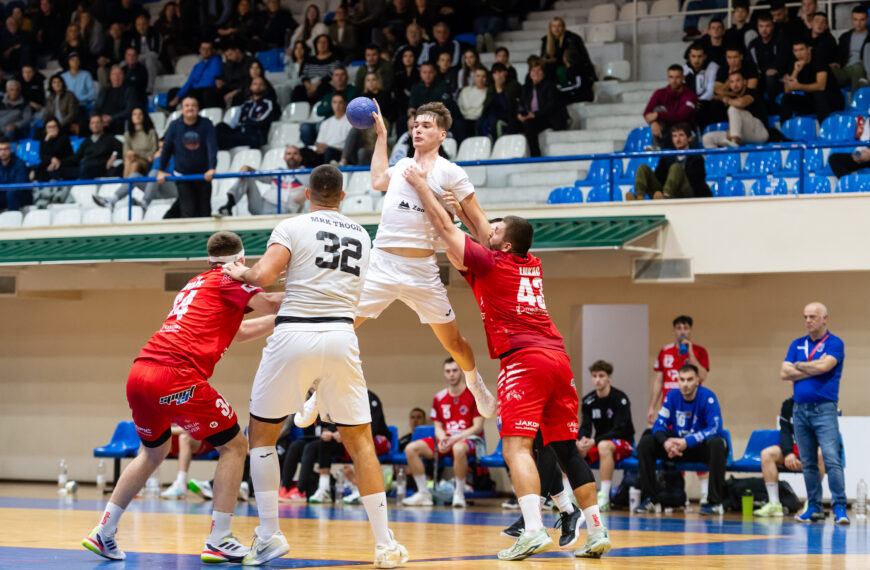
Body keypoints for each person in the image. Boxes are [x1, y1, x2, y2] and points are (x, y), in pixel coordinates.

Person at [401, 172, 610, 559]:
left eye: (495, 229)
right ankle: (596, 530)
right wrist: (460, 202)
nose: (488, 229)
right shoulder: (530, 262)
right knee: (568, 451)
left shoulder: (493, 264)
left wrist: (423, 191)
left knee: (516, 448)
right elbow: (476, 231)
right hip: (558, 359)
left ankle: (532, 529)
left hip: (524, 360)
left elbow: (449, 233)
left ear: (505, 243)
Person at [221, 165, 409, 568]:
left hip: (294, 335)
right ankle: (385, 544)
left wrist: (241, 273)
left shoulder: (292, 225)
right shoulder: (361, 234)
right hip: (342, 336)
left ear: (308, 194)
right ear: (342, 196)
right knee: (359, 443)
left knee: (262, 436)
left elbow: (263, 275)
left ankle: (269, 535)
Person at [81, 231, 281, 563]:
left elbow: (238, 331)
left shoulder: (196, 283)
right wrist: (320, 295)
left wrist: (280, 320)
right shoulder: (231, 278)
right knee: (234, 445)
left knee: (152, 453)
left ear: (208, 260)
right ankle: (219, 538)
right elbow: (273, 301)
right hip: (175, 376)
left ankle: (104, 531)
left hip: (141, 371)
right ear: (241, 260)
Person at [362, 100, 496, 420]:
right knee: (340, 327)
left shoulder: (450, 172)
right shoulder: (401, 167)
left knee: (454, 342)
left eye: (426, 125)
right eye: (415, 125)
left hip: (422, 269)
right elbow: (378, 178)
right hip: (381, 265)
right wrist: (381, 136)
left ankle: (475, 383)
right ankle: (317, 390)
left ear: (442, 134)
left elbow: (480, 223)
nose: (418, 129)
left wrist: (487, 244)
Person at [780, 302, 848, 524]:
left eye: (813, 316)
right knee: (807, 462)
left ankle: (839, 508)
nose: (808, 320)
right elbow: (784, 372)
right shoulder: (797, 343)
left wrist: (798, 366)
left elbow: (825, 367)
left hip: (824, 410)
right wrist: (811, 365)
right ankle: (814, 507)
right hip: (800, 410)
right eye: (805, 317)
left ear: (825, 318)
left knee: (831, 459)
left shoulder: (834, 343)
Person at [635, 364, 728, 516]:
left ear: (697, 380)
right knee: (647, 441)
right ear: (677, 381)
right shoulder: (672, 396)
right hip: (676, 447)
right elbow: (659, 424)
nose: (685, 384)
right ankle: (650, 499)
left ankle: (714, 502)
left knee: (717, 443)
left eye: (690, 380)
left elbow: (715, 428)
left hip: (697, 447)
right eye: (682, 380)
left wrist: (687, 442)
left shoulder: (708, 397)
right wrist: (666, 443)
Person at [402, 357, 485, 508]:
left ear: (461, 372)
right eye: (448, 371)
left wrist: (454, 439)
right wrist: (442, 439)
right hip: (446, 440)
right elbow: (438, 426)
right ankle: (423, 494)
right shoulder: (439, 397)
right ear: (444, 373)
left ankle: (459, 494)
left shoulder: (473, 394)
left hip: (468, 439)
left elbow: (478, 427)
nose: (451, 374)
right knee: (410, 448)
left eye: (454, 370)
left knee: (458, 448)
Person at [577, 360, 635, 512]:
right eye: (594, 376)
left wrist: (595, 441)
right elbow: (585, 426)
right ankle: (570, 496)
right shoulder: (588, 401)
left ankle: (604, 496)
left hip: (623, 443)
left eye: (601, 376)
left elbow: (620, 429)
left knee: (603, 446)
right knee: (571, 447)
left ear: (609, 377)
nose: (597, 379)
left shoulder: (620, 399)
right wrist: (582, 440)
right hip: (600, 443)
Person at [754, 397, 827, 517]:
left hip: (811, 448)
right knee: (766, 454)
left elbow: (822, 435)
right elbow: (785, 432)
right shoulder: (788, 404)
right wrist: (788, 454)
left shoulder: (819, 404)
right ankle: (774, 504)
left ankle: (812, 503)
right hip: (792, 448)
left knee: (821, 454)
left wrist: (807, 458)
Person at [158, 97, 218, 218]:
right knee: (188, 211)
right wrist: (161, 170)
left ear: (198, 109)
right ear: (182, 109)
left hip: (203, 176)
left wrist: (212, 167)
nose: (190, 108)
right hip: (183, 176)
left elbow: (212, 146)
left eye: (193, 105)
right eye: (187, 105)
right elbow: (166, 148)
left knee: (205, 212)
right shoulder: (174, 126)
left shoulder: (206, 124)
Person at [647, 315, 711, 425]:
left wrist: (690, 353)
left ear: (690, 330)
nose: (682, 331)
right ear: (674, 330)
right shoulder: (665, 351)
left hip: (692, 405)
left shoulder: (700, 351)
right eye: (679, 328)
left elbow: (702, 377)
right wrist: (652, 406)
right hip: (670, 405)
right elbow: (658, 381)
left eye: (685, 328)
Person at [218, 144, 309, 216]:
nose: (291, 156)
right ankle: (228, 206)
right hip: (262, 205)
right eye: (288, 154)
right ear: (284, 158)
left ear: (300, 157)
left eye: (295, 153)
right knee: (248, 176)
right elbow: (260, 175)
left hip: (284, 210)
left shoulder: (307, 173)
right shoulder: (278, 171)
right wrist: (248, 168)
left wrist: (306, 194)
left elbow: (320, 187)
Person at [630, 123, 711, 200]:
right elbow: (659, 178)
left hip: (687, 194)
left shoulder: (696, 157)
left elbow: (697, 184)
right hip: (665, 191)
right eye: (674, 136)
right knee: (642, 168)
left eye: (681, 135)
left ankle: (666, 197)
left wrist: (678, 176)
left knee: (676, 168)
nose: (677, 139)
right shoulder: (667, 156)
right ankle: (640, 198)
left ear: (689, 138)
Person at [780, 38, 844, 122]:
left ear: (808, 49)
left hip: (832, 99)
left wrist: (799, 86)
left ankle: (824, 129)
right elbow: (787, 90)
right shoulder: (795, 63)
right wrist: (796, 71)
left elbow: (821, 86)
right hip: (812, 101)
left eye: (801, 49)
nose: (799, 53)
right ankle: (785, 131)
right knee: (786, 98)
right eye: (796, 51)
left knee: (818, 94)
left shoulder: (819, 60)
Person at [702, 71, 769, 147]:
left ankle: (734, 142)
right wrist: (729, 130)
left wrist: (727, 99)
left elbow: (741, 103)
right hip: (742, 135)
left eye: (738, 80)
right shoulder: (733, 97)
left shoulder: (751, 92)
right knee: (707, 138)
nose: (735, 84)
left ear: (744, 82)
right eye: (732, 82)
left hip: (759, 133)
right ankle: (715, 158)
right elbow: (715, 94)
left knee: (734, 109)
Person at [517, 60, 567, 157]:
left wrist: (535, 114)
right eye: (533, 71)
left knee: (529, 124)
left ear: (543, 73)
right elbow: (521, 103)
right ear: (529, 73)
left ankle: (535, 155)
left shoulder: (550, 86)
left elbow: (551, 106)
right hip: (531, 116)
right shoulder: (526, 88)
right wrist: (520, 114)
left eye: (539, 71)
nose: (536, 73)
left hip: (547, 117)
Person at [643, 65, 699, 150]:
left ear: (683, 78)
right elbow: (647, 113)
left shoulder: (691, 95)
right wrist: (654, 122)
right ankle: (656, 147)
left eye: (677, 77)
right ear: (668, 78)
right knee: (658, 110)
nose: (674, 81)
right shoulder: (660, 93)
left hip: (686, 134)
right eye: (671, 77)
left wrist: (658, 115)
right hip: (667, 133)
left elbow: (682, 116)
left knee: (659, 112)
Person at [216, 77, 275, 150]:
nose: (258, 86)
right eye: (255, 84)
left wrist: (246, 120)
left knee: (221, 140)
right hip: (240, 133)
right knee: (220, 126)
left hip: (254, 135)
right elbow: (239, 121)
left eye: (261, 84)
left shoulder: (267, 103)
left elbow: (260, 121)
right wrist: (248, 120)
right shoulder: (246, 104)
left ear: (265, 87)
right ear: (250, 87)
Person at [748, 12, 791, 113]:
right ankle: (757, 110)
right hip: (760, 76)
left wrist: (775, 70)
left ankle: (774, 107)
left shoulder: (781, 39)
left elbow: (784, 61)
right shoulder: (753, 44)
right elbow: (750, 63)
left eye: (767, 26)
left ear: (772, 26)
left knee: (770, 77)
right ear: (757, 27)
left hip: (779, 76)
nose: (764, 29)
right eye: (761, 26)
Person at [160, 425, 217, 499]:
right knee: (149, 441)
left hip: (203, 439)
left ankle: (180, 483)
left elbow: (192, 429)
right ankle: (144, 484)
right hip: (175, 440)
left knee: (184, 437)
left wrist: (164, 429)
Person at [59, 114, 122, 180]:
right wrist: (59, 162)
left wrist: (114, 155)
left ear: (102, 124)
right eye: (93, 123)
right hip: (85, 167)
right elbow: (76, 158)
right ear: (90, 125)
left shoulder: (110, 139)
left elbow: (123, 149)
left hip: (101, 168)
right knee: (59, 170)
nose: (95, 125)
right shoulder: (86, 141)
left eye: (97, 122)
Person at [169, 41, 223, 109]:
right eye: (203, 49)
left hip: (208, 88)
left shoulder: (216, 60)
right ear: (200, 50)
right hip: (196, 89)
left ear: (212, 50)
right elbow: (190, 81)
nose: (205, 51)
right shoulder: (197, 66)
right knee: (173, 92)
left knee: (199, 94)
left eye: (208, 49)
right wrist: (178, 96)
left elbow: (216, 73)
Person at [540, 16, 591, 81]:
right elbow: (542, 56)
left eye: (559, 26)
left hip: (569, 66)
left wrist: (556, 60)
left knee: (560, 70)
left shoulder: (571, 38)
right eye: (554, 26)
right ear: (550, 28)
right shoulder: (546, 40)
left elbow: (573, 57)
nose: (556, 29)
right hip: (552, 66)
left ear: (564, 27)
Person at [682, 42, 720, 128]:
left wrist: (696, 101)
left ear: (705, 57)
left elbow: (711, 90)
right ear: (689, 57)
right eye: (693, 56)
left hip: (706, 102)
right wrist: (692, 102)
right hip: (691, 102)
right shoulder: (683, 69)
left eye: (699, 56)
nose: (696, 60)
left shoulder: (712, 67)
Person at [832, 7, 870, 92]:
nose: (858, 23)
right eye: (855, 19)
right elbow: (839, 53)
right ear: (852, 20)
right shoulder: (845, 36)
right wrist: (836, 62)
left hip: (863, 69)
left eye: (862, 20)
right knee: (824, 70)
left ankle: (856, 102)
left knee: (857, 67)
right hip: (845, 69)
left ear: (867, 20)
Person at [125, 14, 162, 94]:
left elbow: (155, 54)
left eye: (143, 24)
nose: (141, 27)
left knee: (150, 60)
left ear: (148, 23)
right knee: (122, 63)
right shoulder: (134, 36)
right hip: (140, 62)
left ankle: (150, 89)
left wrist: (136, 57)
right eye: (138, 24)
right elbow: (132, 52)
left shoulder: (156, 33)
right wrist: (133, 58)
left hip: (158, 63)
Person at [483, 62, 520, 139]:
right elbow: (486, 105)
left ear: (505, 73)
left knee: (495, 122)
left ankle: (497, 145)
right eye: (495, 73)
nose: (498, 75)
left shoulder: (513, 85)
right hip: (493, 114)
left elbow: (508, 107)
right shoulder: (491, 88)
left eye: (500, 72)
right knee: (481, 122)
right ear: (492, 75)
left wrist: (499, 89)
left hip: (509, 116)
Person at [30, 117, 73, 184]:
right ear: (46, 129)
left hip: (63, 164)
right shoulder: (44, 139)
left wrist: (55, 161)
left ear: (58, 127)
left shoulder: (64, 138)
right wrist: (47, 140)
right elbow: (42, 156)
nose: (52, 129)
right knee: (36, 170)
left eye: (54, 126)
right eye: (49, 127)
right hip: (48, 165)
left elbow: (57, 152)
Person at [94, 66, 134, 135]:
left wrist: (111, 118)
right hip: (103, 121)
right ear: (110, 76)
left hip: (119, 120)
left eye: (119, 74)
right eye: (114, 74)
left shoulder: (129, 90)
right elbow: (96, 107)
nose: (116, 76)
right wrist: (100, 118)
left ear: (123, 76)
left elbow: (129, 110)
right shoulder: (105, 90)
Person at [828, 113, 870, 178]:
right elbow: (862, 143)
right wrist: (858, 155)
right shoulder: (868, 122)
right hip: (866, 156)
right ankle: (850, 186)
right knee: (834, 159)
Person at [315, 92, 352, 164]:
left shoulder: (350, 123)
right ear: (331, 104)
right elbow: (320, 143)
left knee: (329, 151)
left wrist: (329, 147)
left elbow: (349, 148)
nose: (337, 106)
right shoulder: (325, 123)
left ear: (345, 104)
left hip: (341, 154)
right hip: (326, 152)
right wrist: (321, 148)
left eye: (340, 103)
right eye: (334, 102)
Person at [455, 68, 488, 142]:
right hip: (464, 117)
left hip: (478, 119)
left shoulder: (488, 92)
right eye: (478, 76)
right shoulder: (465, 90)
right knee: (458, 124)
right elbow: (460, 106)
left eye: (483, 76)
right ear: (474, 78)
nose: (480, 79)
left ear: (486, 78)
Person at [0, 136, 31, 212]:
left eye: (6, 149)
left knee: (11, 194)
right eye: (0, 149)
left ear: (10, 149)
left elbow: (20, 184)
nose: (3, 152)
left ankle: (12, 220)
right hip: (3, 194)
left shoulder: (19, 163)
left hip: (19, 195)